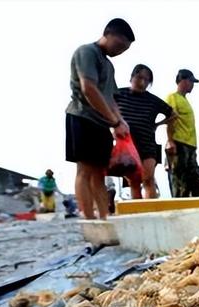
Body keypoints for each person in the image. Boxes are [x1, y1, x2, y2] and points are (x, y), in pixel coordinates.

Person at [65, 18, 134, 220]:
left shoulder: (108, 65)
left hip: (101, 123)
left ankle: (103, 218)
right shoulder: (87, 52)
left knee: (99, 174)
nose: (120, 51)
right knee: (85, 170)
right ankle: (88, 219)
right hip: (82, 116)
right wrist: (114, 121)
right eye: (119, 45)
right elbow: (89, 89)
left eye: (124, 50)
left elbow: (111, 98)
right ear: (108, 34)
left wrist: (121, 121)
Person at [115, 64, 174, 199]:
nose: (142, 82)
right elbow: (105, 109)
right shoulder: (118, 94)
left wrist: (157, 124)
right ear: (132, 77)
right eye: (139, 77)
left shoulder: (153, 100)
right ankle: (137, 212)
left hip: (147, 143)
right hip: (126, 144)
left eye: (147, 80)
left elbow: (172, 114)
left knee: (148, 178)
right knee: (133, 181)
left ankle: (150, 210)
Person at [166, 69, 199, 197]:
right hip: (179, 144)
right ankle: (177, 208)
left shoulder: (185, 100)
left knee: (191, 180)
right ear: (184, 81)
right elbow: (170, 119)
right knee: (179, 181)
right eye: (191, 81)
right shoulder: (173, 97)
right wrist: (170, 141)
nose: (192, 85)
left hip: (190, 145)